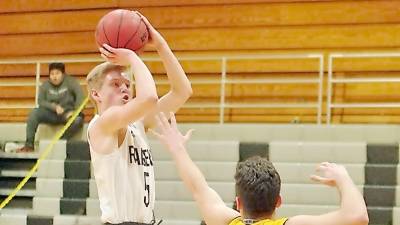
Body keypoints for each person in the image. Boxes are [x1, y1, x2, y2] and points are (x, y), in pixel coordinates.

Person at [150, 112, 369, 225]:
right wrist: (343, 178)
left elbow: (198, 188)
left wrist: (177, 149)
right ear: (278, 201)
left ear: (238, 203)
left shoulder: (224, 220)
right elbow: (358, 217)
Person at [86, 12, 192, 225]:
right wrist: (133, 58)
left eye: (127, 85)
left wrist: (160, 45)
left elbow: (182, 91)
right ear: (96, 94)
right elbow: (149, 97)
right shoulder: (101, 125)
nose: (125, 89)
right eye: (115, 84)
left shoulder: (137, 124)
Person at [17, 62, 84, 152]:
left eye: (57, 73)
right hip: (51, 114)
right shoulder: (45, 85)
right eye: (52, 74)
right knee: (34, 113)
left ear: (63, 74)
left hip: (67, 114)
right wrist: (54, 107)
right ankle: (29, 145)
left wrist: (75, 112)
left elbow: (80, 97)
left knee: (78, 120)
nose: (54, 76)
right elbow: (40, 101)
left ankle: (60, 142)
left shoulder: (71, 82)